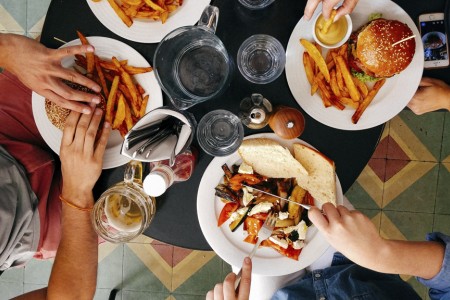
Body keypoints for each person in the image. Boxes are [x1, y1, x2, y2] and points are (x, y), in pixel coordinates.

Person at [0, 33, 103, 269]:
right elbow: (66, 295)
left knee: (76, 53)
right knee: (152, 181)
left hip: (4, 130)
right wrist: (77, 193)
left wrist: (5, 50)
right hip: (35, 226)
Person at [208, 203, 450, 299]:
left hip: (279, 295)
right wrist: (381, 253)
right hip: (358, 268)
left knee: (243, 233)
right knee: (316, 195)